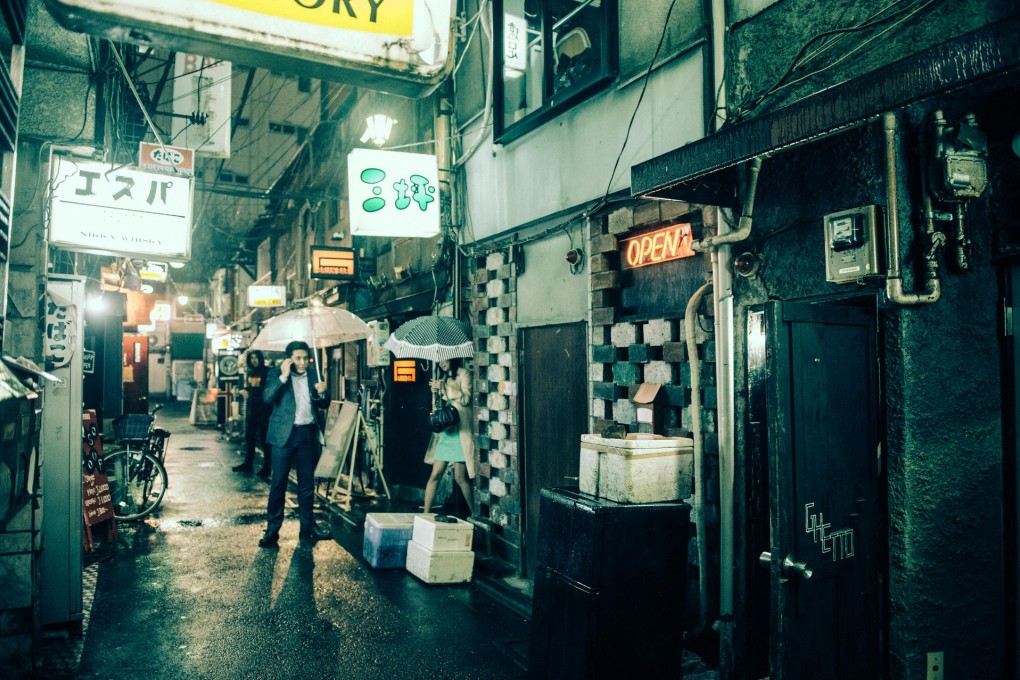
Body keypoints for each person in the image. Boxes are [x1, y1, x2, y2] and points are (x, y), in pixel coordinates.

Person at [258, 340, 332, 547]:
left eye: (305, 358)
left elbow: (324, 404)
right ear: (289, 358)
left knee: (307, 484)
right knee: (278, 484)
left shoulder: (315, 374)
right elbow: (267, 398)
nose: (302, 362)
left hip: (307, 434)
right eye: (297, 358)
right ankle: (272, 530)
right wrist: (283, 376)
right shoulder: (276, 374)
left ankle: (308, 528)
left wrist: (322, 392)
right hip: (284, 436)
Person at [423, 358, 475, 516]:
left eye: (443, 360)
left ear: (452, 358)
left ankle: (475, 515)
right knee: (435, 474)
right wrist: (435, 392)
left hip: (460, 431)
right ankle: (425, 514)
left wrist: (446, 387)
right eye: (438, 362)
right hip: (446, 432)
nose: (441, 364)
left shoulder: (464, 374)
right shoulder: (441, 376)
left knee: (460, 477)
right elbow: (439, 407)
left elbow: (466, 398)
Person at [233, 350, 271, 477]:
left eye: (256, 358)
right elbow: (250, 388)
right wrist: (243, 390)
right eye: (252, 358)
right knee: (249, 437)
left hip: (265, 410)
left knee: (265, 440)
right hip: (252, 410)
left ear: (261, 358)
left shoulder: (267, 372)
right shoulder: (250, 373)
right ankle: (248, 464)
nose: (254, 360)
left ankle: (267, 467)